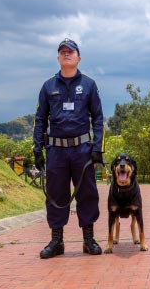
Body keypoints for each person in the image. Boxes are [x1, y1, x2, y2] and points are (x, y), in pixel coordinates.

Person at [33, 38, 105, 259]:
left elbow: (99, 118)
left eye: (70, 52)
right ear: (58, 58)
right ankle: (57, 241)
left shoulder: (89, 85)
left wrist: (97, 148)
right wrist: (37, 149)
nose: (66, 55)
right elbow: (40, 118)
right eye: (62, 52)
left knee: (87, 193)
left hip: (82, 150)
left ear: (78, 58)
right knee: (56, 194)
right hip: (56, 151)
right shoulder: (48, 87)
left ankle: (88, 239)